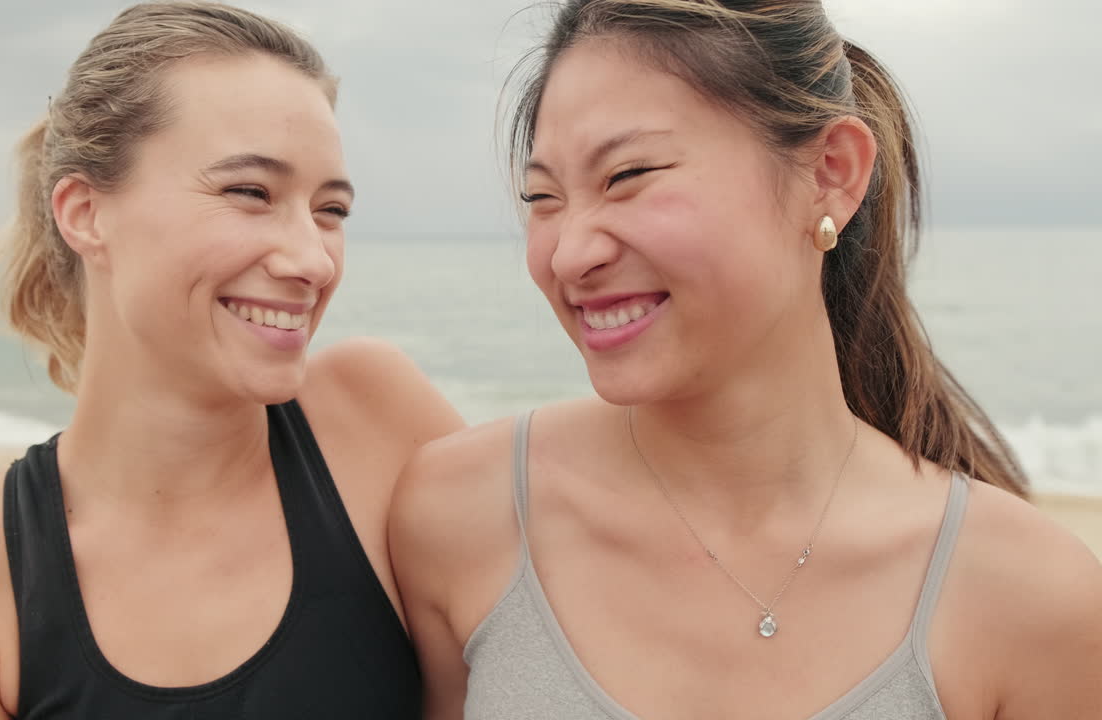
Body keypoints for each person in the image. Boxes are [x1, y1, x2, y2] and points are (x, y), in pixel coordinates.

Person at [390, 1, 1102, 718]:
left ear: (831, 173)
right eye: (543, 198)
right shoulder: (462, 516)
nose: (569, 254)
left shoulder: (1032, 602)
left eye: (629, 174)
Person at [0, 3, 462, 718]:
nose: (313, 259)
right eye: (249, 192)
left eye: (331, 210)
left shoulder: (375, 422)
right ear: (84, 212)